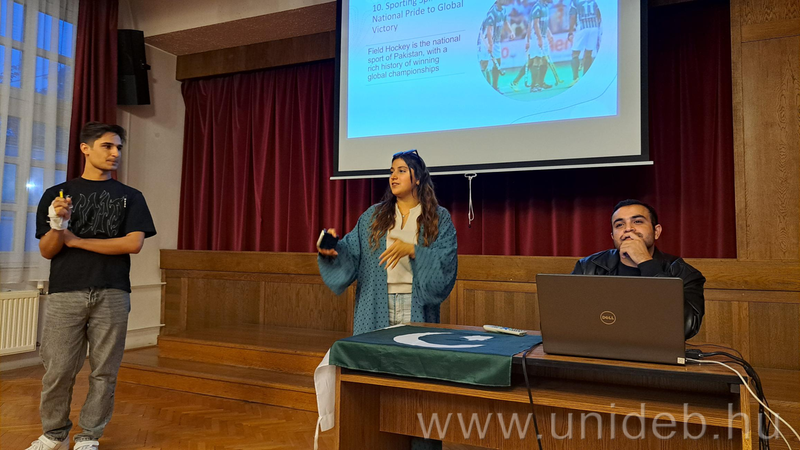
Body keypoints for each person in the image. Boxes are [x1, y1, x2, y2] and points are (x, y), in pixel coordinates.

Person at [27, 122, 156, 450]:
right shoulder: (56, 195)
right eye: (107, 146)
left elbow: (132, 244)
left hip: (113, 291)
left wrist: (77, 241)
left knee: (104, 371)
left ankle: (88, 436)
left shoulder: (131, 197)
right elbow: (47, 250)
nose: (115, 153)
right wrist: (59, 225)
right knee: (58, 370)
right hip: (65, 291)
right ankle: (53, 434)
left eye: (119, 148)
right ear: (85, 149)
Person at [316, 150, 457, 450]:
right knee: (375, 384)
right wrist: (332, 251)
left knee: (418, 386)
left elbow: (445, 265)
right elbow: (351, 254)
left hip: (415, 311)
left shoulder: (438, 217)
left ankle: (420, 444)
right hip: (375, 309)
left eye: (402, 170)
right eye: (392, 170)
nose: (393, 176)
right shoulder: (373, 217)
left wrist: (414, 250)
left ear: (417, 178)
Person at [571, 199, 705, 339]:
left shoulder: (683, 273)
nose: (628, 229)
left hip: (653, 349)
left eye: (638, 222)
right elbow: (569, 318)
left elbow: (686, 328)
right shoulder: (588, 267)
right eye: (619, 224)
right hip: (597, 346)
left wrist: (645, 262)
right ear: (613, 236)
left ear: (656, 231)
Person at [567, 0, 601, 84]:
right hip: (594, 27)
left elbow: (572, 17)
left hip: (582, 27)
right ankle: (586, 78)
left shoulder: (575, 1)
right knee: (589, 53)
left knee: (575, 53)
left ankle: (575, 78)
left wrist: (570, 32)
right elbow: (599, 13)